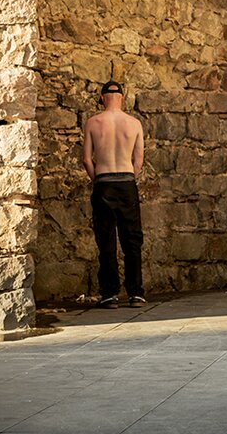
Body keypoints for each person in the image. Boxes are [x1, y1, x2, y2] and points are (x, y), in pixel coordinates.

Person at [82, 80, 146, 309]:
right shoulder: (134, 123)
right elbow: (138, 161)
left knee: (106, 239)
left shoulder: (93, 123)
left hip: (104, 182)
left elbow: (86, 159)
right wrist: (129, 176)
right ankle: (135, 293)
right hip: (127, 182)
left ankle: (109, 294)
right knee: (132, 240)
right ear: (122, 97)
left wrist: (98, 178)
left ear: (102, 98)